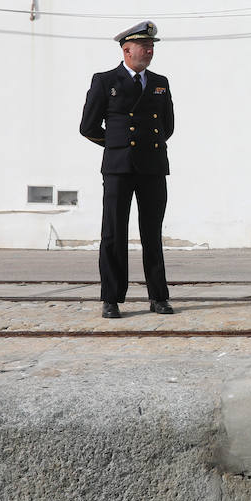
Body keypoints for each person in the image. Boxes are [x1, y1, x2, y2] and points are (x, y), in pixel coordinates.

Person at [79, 21, 175, 319]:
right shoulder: (105, 80)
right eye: (145, 46)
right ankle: (111, 298)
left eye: (152, 47)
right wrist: (119, 145)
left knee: (152, 234)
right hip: (119, 168)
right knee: (113, 233)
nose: (150, 50)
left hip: (153, 167)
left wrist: (146, 147)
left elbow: (167, 126)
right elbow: (88, 127)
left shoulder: (160, 82)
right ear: (126, 50)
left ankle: (158, 297)